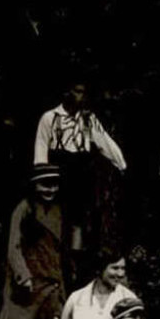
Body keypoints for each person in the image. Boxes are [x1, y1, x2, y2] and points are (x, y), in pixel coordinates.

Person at [0, 164, 71, 319]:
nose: (50, 189)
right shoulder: (24, 209)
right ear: (34, 185)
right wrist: (23, 276)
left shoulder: (60, 210)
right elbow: (14, 246)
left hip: (52, 284)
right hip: (28, 287)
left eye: (54, 184)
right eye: (44, 184)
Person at [33, 83, 126, 265]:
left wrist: (121, 164)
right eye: (76, 91)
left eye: (82, 92)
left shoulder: (88, 120)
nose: (80, 96)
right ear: (66, 92)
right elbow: (41, 149)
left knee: (80, 223)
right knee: (57, 220)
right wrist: (42, 179)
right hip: (58, 176)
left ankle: (76, 264)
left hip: (81, 177)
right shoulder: (50, 118)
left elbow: (104, 141)